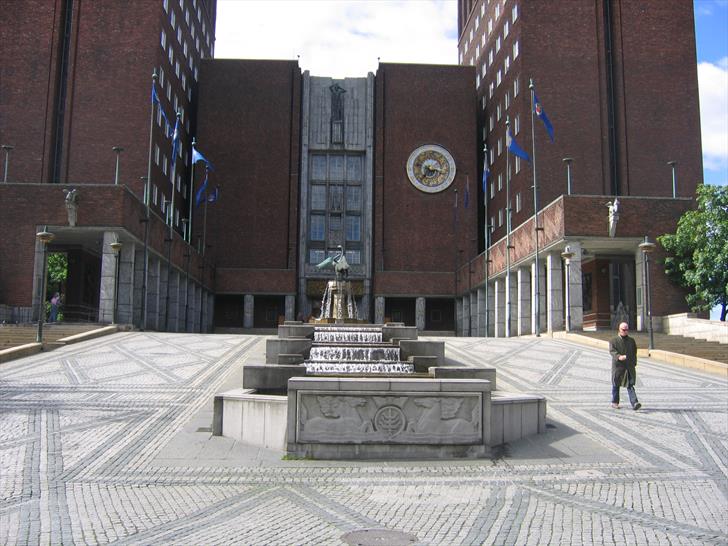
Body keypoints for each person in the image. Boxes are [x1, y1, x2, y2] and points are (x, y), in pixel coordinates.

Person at [609, 321, 642, 410]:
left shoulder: (631, 341)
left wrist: (634, 362)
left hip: (628, 366)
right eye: (623, 330)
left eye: (627, 330)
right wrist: (619, 356)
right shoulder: (613, 340)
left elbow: (634, 352)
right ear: (619, 330)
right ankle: (615, 402)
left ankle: (635, 403)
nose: (625, 331)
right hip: (618, 366)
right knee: (616, 384)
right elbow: (612, 351)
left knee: (630, 385)